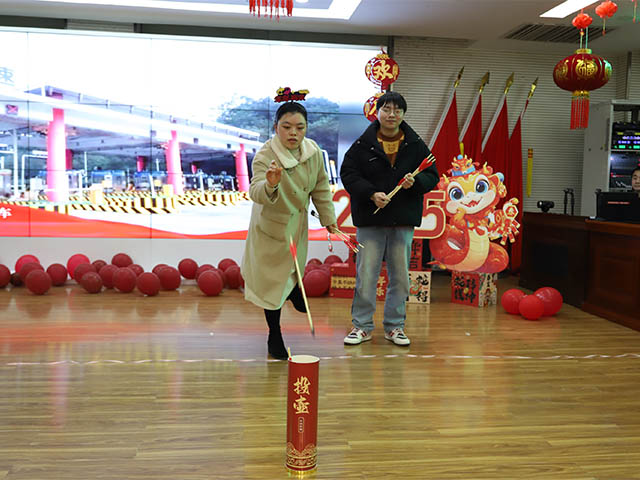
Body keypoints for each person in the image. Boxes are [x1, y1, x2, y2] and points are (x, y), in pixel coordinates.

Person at [340, 91, 439, 346]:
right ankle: (361, 326)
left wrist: (415, 182)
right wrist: (371, 194)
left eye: (397, 110)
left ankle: (395, 327)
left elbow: (432, 176)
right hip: (370, 220)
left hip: (402, 220)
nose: (391, 114)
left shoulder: (415, 144)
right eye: (386, 109)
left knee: (400, 278)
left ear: (403, 114)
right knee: (366, 276)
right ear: (377, 112)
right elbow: (348, 174)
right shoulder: (362, 144)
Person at [241, 102, 338, 360]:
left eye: (299, 127)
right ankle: (274, 335)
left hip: (297, 226)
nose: (293, 132)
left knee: (293, 270)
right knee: (271, 287)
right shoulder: (265, 155)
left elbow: (320, 187)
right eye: (286, 127)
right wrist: (270, 184)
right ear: (276, 128)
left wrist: (329, 219)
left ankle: (294, 291)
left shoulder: (313, 151)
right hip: (270, 229)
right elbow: (255, 192)